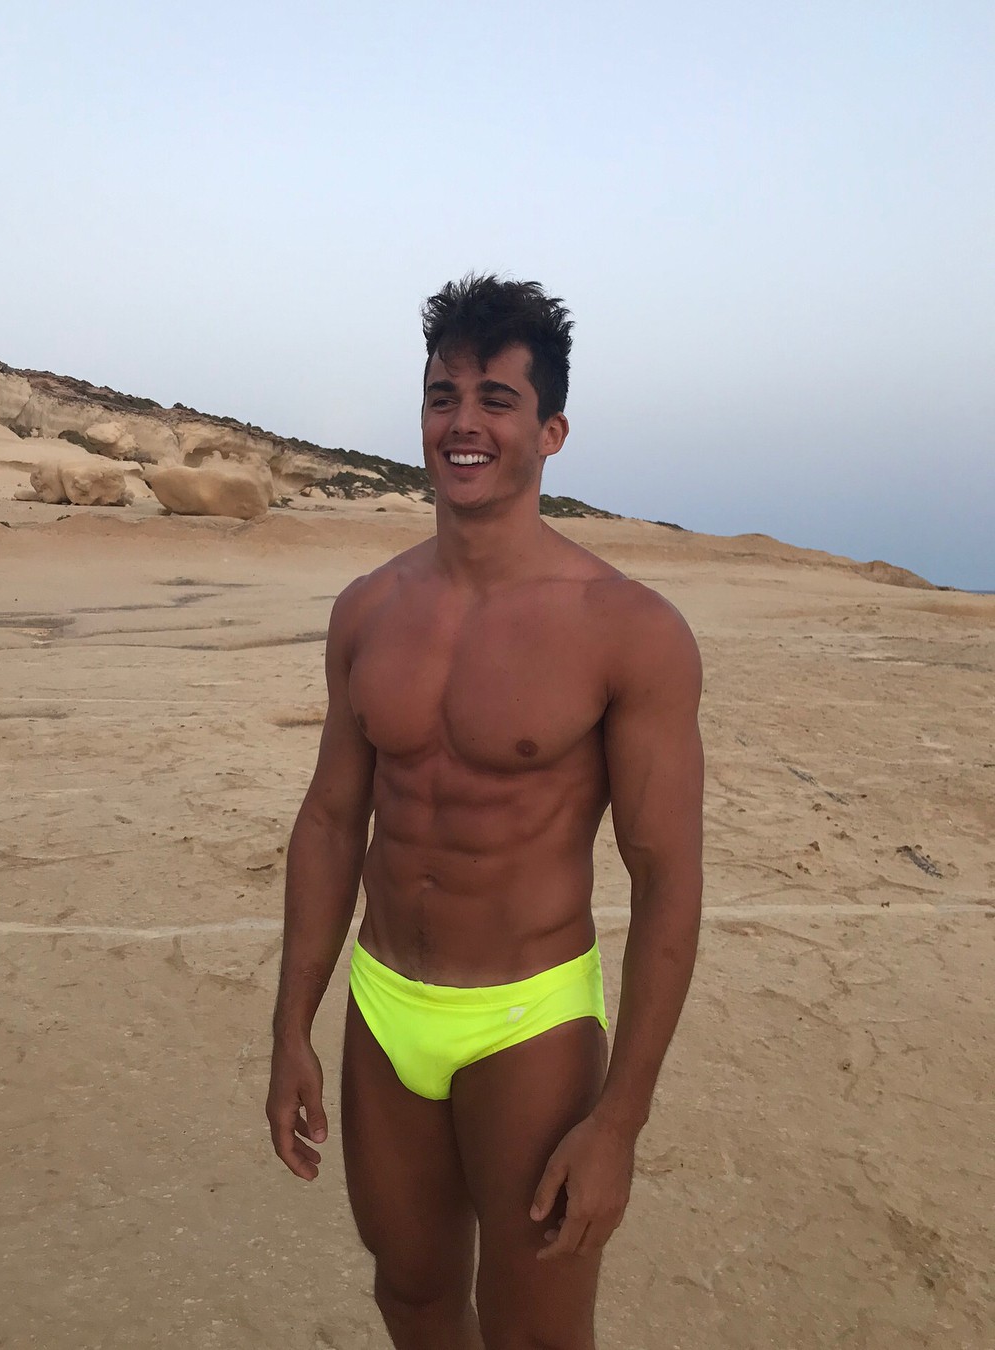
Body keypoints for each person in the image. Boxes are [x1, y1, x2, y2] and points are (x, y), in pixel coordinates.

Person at [266, 274, 704, 1350]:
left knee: (536, 1333)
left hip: (528, 1020)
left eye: (496, 399)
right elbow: (331, 822)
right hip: (384, 1004)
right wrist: (291, 1028)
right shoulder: (369, 609)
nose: (463, 422)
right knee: (412, 1295)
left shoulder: (627, 629)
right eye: (442, 396)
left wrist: (620, 1121)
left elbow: (667, 879)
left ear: (551, 432)